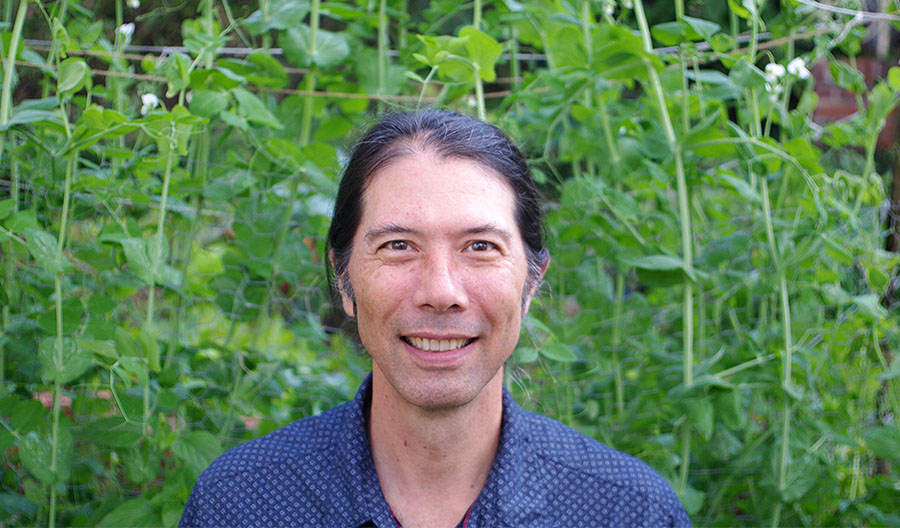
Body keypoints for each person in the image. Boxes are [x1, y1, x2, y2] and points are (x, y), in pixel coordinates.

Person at [179, 110, 691, 528]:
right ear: (344, 280)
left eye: (480, 247)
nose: (441, 292)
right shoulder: (242, 505)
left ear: (532, 282)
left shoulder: (628, 511)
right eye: (398, 246)